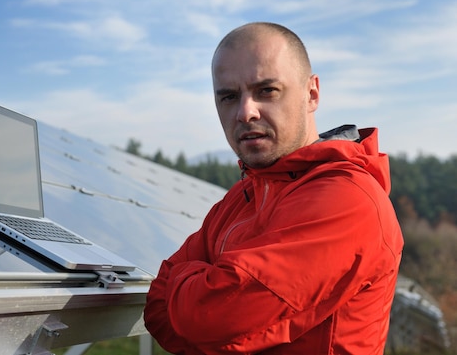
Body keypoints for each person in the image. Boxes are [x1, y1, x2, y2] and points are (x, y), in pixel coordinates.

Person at [143, 22, 404, 354]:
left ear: (312, 94)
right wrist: (204, 300)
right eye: (228, 96)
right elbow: (157, 310)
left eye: (267, 90)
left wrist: (196, 286)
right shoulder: (243, 196)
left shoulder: (348, 201)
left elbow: (205, 319)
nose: (245, 112)